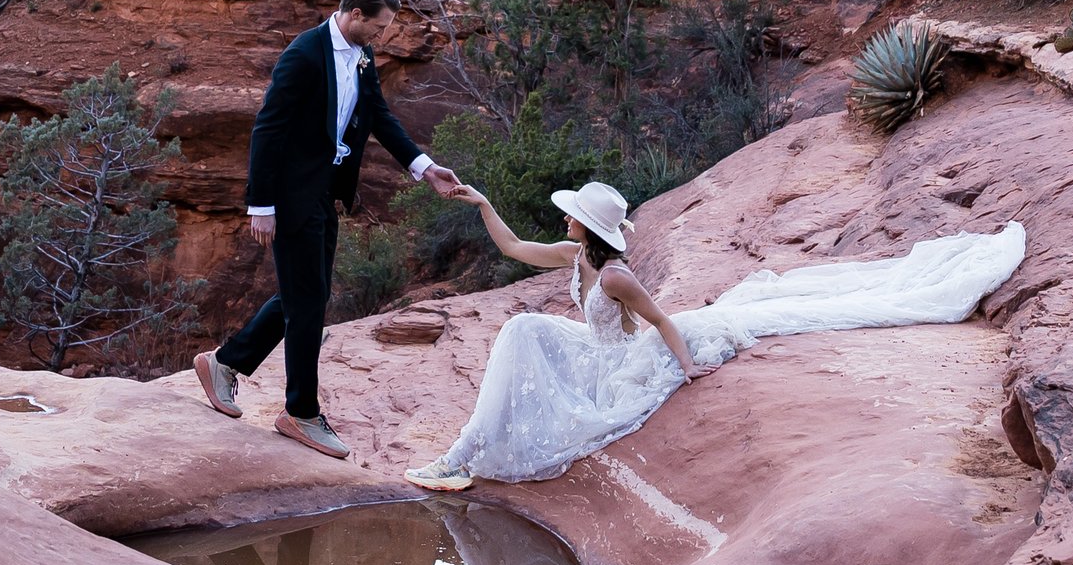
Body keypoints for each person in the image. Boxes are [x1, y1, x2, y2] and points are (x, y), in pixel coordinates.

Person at [408, 175, 1026, 491]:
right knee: (521, 331)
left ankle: (461, 456)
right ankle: (465, 452)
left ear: (588, 226)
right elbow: (515, 246)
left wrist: (685, 366)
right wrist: (482, 202)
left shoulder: (616, 276)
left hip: (616, 363)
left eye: (569, 215)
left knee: (520, 330)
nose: (563, 219)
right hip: (592, 350)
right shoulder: (578, 258)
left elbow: (662, 322)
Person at [195, 0, 465, 460]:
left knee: (308, 294)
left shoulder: (361, 59)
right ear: (355, 15)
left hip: (325, 192)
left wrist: (426, 169)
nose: (382, 38)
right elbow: (267, 130)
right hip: (290, 195)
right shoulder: (303, 55)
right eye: (379, 28)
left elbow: (380, 116)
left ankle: (225, 364)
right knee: (309, 303)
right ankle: (300, 412)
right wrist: (261, 205)